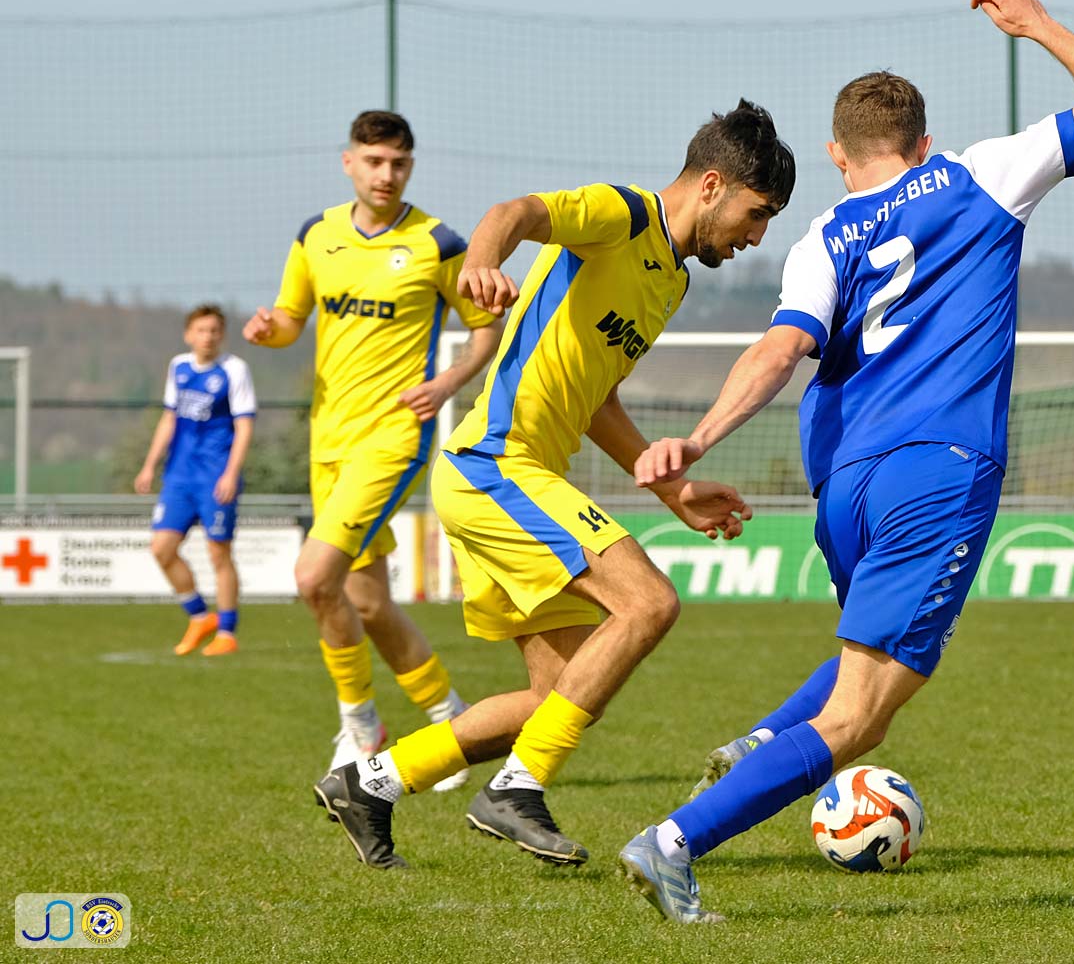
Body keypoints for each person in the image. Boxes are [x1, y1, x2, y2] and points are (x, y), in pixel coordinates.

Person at [618, 0, 1074, 922]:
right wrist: (1034, 26)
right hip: (939, 467)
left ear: (837, 154)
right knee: (861, 714)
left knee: (880, 661)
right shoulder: (981, 174)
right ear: (923, 141)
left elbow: (781, 350)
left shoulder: (821, 238)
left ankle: (762, 746)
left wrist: (696, 436)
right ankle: (673, 843)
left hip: (845, 487)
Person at [311, 100, 794, 870]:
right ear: (712, 186)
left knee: (558, 697)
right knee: (649, 603)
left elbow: (597, 401)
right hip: (495, 465)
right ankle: (515, 789)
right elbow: (516, 213)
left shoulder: (669, 283)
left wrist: (672, 490)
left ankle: (371, 783)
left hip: (514, 478)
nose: (757, 236)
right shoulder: (623, 215)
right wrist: (482, 261)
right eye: (757, 213)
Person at [243, 110, 504, 790]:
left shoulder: (438, 243)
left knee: (313, 578)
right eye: (374, 162)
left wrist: (447, 382)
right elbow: (291, 319)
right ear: (349, 162)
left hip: (392, 437)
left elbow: (486, 327)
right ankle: (450, 718)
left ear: (410, 167)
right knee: (367, 604)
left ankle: (360, 725)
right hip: (327, 440)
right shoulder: (316, 234)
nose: (386, 175)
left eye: (399, 164)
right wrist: (269, 329)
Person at [135, 304, 256, 657]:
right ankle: (200, 617)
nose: (208, 337)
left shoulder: (234, 370)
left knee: (219, 553)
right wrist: (149, 465)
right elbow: (169, 418)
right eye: (201, 330)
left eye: (215, 331)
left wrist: (231, 472)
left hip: (215, 477)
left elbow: (244, 426)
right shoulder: (179, 366)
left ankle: (227, 633)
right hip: (179, 476)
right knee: (161, 548)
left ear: (223, 335)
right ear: (189, 334)